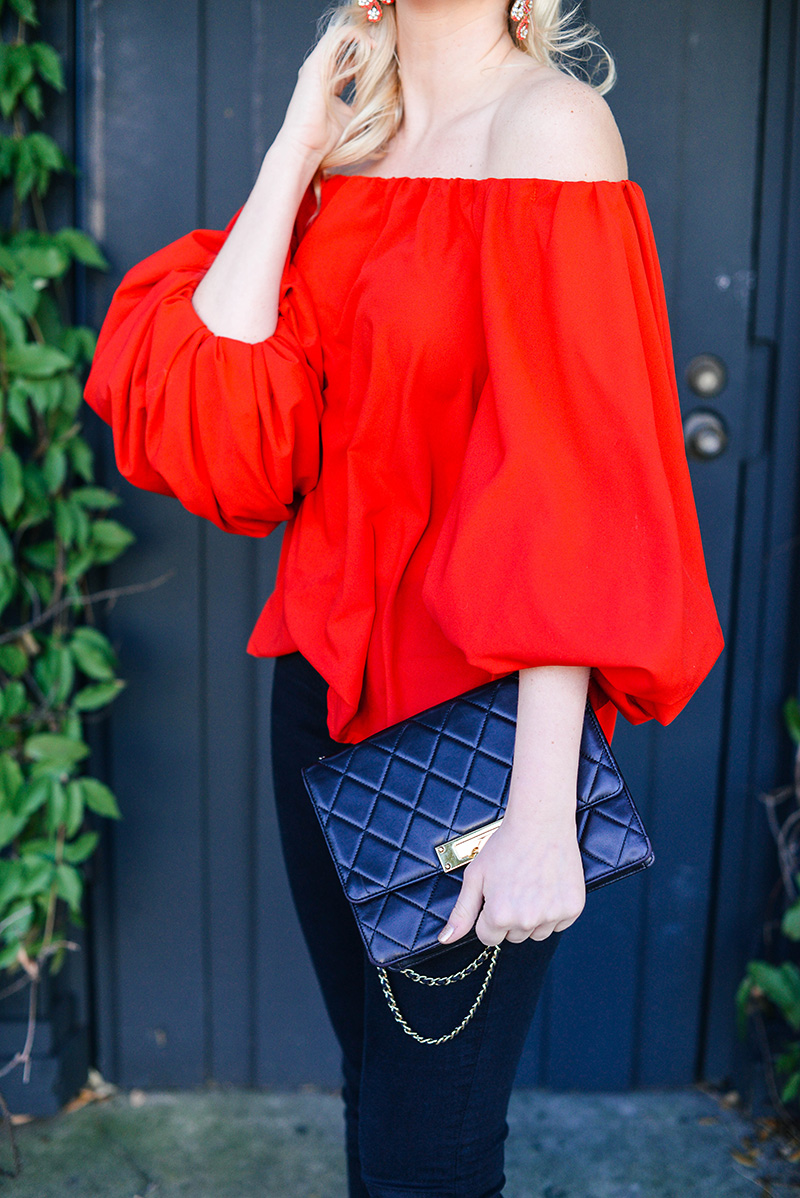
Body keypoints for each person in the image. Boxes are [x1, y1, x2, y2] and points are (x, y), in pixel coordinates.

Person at [83, 1, 725, 1194]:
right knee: (373, 1098)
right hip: (319, 695)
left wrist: (541, 813)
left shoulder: (549, 127)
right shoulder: (352, 146)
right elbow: (222, 411)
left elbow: (571, 482)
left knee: (423, 1153)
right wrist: (295, 146)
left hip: (472, 729)